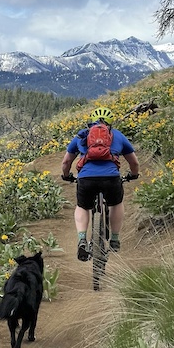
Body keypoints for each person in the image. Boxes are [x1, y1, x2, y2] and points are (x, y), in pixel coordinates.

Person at [61, 106, 139, 261]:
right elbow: (134, 163)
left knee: (83, 206)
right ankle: (115, 239)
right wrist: (133, 175)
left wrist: (66, 176)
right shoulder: (117, 136)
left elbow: (66, 162)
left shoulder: (81, 136)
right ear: (111, 123)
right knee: (116, 203)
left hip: (86, 179)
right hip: (111, 179)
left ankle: (82, 239)